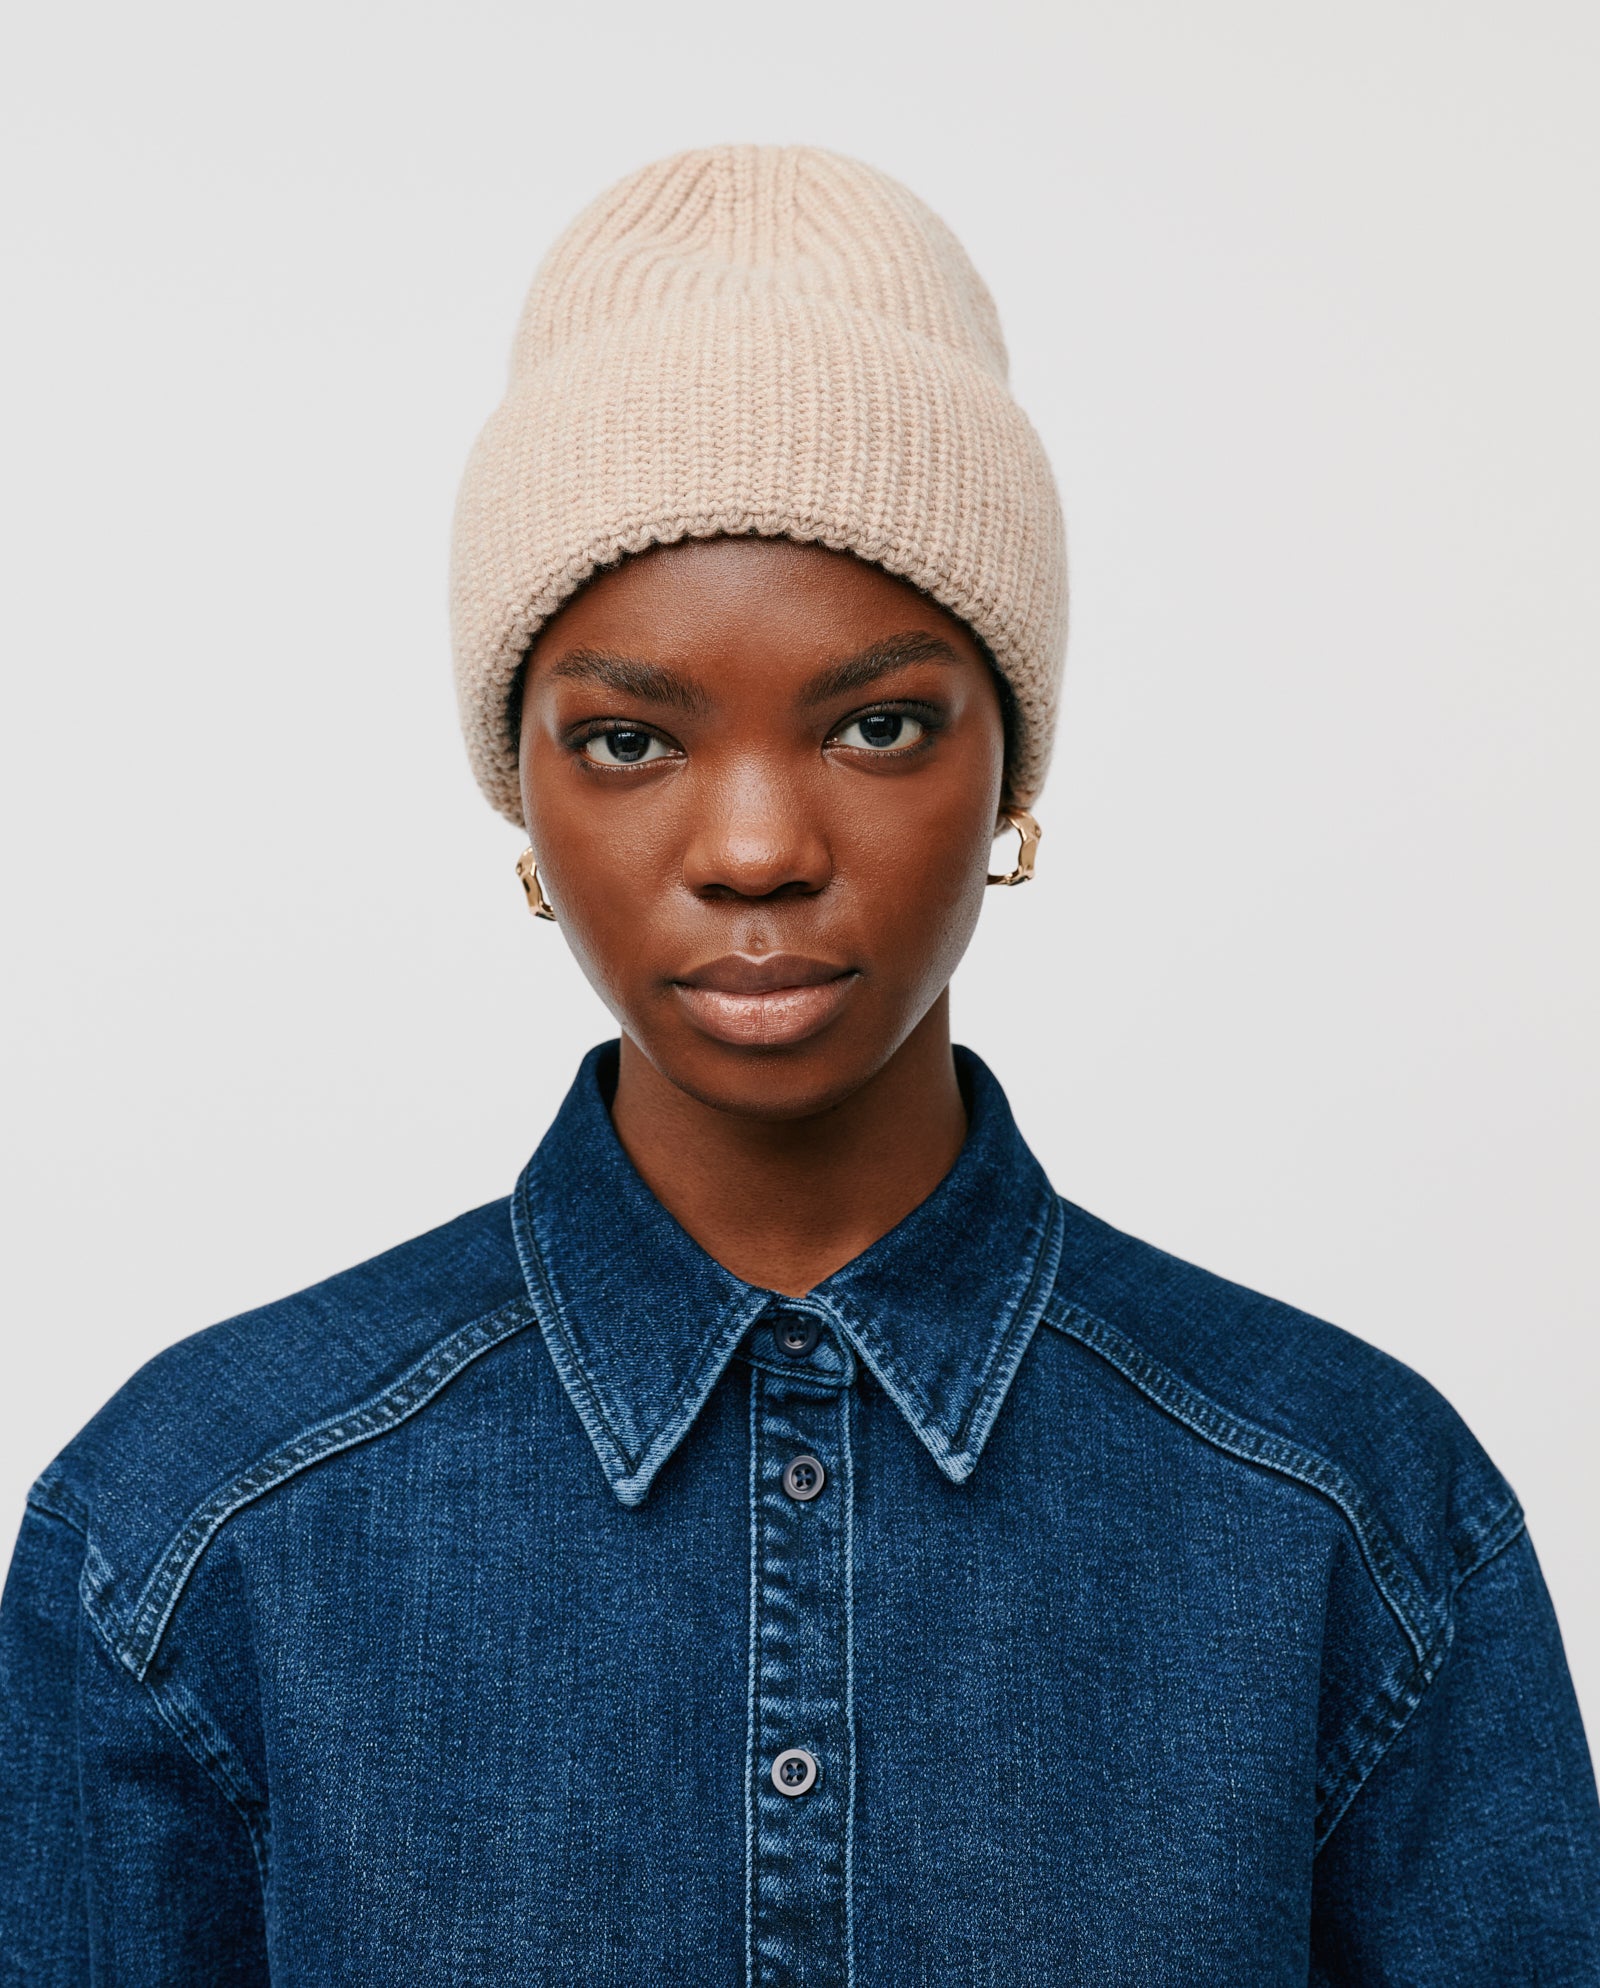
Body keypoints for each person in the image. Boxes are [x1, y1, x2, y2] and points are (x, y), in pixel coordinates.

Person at [1, 144, 1595, 1986]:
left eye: (879, 722)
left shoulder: (1357, 1524)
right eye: (626, 741)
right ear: (515, 787)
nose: (754, 844)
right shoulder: (191, 1535)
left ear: (1015, 775)